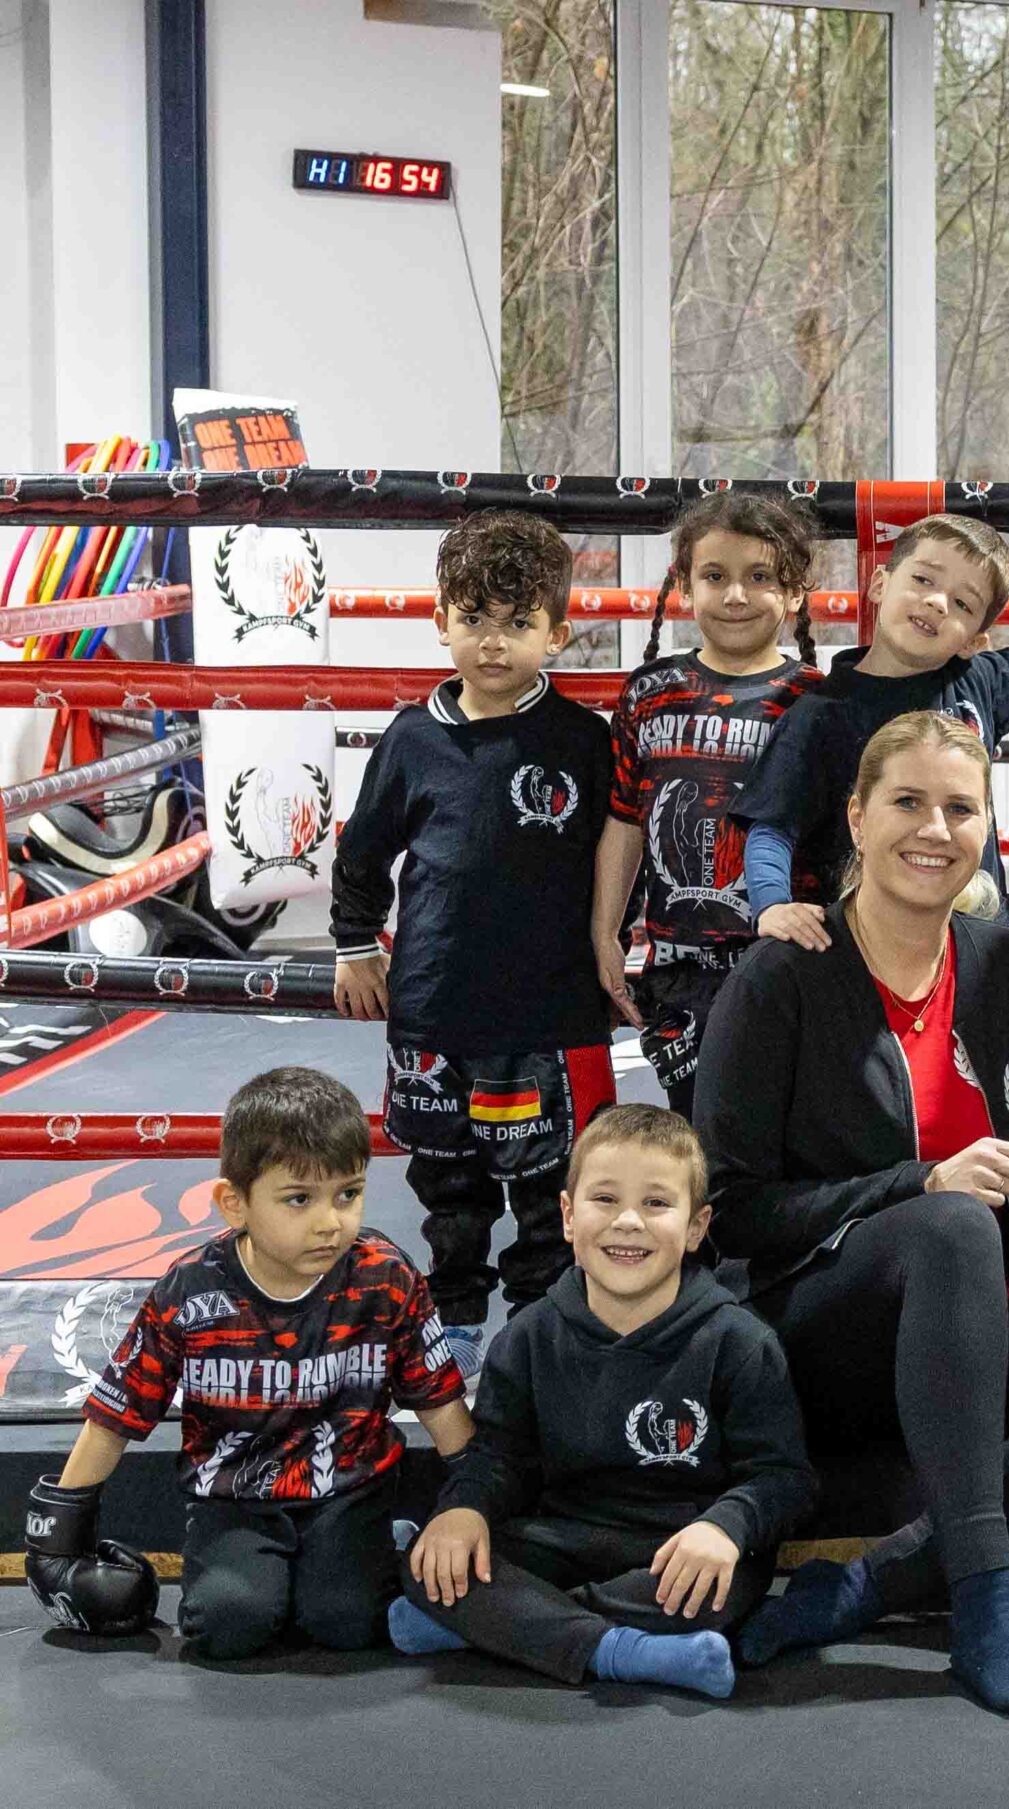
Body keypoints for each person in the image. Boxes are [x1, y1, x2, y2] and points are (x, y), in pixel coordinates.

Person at [697, 710, 1009, 1724]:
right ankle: (986, 1605)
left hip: (987, 1327)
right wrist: (916, 1185)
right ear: (856, 817)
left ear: (986, 827)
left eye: (960, 808)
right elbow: (734, 1211)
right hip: (826, 1331)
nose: (935, 829)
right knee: (954, 1222)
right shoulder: (784, 975)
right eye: (908, 802)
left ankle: (871, 1584)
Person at [26, 1068, 472, 1657]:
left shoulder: (386, 1278)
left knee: (346, 1623)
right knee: (229, 1624)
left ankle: (385, 1542)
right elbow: (116, 1413)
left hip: (351, 1489)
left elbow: (441, 1402)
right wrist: (58, 1538)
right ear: (234, 1204)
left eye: (348, 1194)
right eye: (299, 1199)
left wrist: (474, 1503)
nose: (330, 1221)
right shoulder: (190, 1291)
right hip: (233, 1498)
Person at [392, 1105, 815, 1698]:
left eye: (657, 1203)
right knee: (429, 1559)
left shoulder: (738, 1341)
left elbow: (783, 1477)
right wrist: (465, 1509)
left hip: (679, 1548)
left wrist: (727, 1526)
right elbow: (497, 1460)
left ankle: (511, 1627)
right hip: (562, 1536)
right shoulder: (528, 1336)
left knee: (718, 1590)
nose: (629, 1222)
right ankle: (623, 1651)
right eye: (605, 1199)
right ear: (568, 1216)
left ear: (697, 1227)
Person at [333, 509, 618, 1380]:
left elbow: (622, 854)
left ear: (557, 633)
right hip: (433, 1009)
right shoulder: (412, 738)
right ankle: (455, 1321)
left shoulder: (583, 740)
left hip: (545, 1014)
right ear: (440, 620)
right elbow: (363, 849)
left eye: (518, 622)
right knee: (448, 1190)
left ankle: (536, 1333)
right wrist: (354, 943)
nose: (493, 642)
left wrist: (617, 943)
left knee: (545, 1191)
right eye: (474, 619)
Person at [731, 513, 1009, 939]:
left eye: (963, 603)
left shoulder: (979, 681)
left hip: (978, 936)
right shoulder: (820, 714)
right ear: (879, 584)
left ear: (973, 641)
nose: (938, 602)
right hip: (871, 944)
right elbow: (773, 825)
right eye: (923, 580)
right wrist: (772, 906)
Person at [593, 492, 824, 1119]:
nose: (736, 596)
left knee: (782, 1137)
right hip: (678, 973)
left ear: (794, 593)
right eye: (715, 576)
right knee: (696, 1136)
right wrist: (606, 933)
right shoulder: (649, 692)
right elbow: (625, 820)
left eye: (760, 577)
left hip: (786, 965)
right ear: (686, 586)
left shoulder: (816, 701)